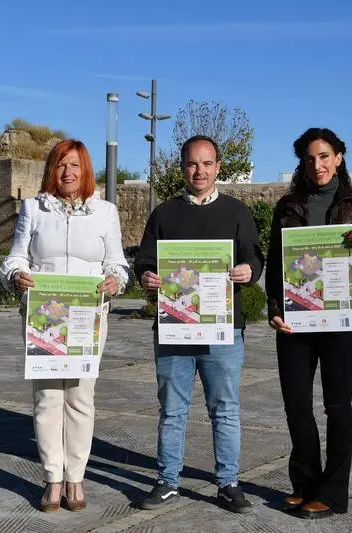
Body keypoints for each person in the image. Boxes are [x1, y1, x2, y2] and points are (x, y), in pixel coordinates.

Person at [133, 135, 264, 514]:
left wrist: (247, 271)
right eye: (192, 164)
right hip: (174, 329)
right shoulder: (164, 213)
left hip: (223, 330)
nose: (199, 171)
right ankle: (167, 480)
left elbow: (254, 258)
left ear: (218, 167)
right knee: (172, 410)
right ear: (182, 168)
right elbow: (144, 260)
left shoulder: (237, 212)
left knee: (224, 408)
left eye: (207, 164)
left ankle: (228, 482)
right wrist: (147, 276)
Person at [0, 139, 130, 512]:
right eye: (60, 166)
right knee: (47, 399)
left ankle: (76, 478)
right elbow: (14, 259)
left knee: (80, 397)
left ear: (86, 170)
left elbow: (117, 264)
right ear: (51, 171)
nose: (68, 173)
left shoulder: (105, 211)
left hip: (88, 318)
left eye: (74, 165)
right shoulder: (33, 209)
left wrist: (114, 282)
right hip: (45, 316)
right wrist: (17, 276)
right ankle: (52, 478)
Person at [265, 127, 352, 519]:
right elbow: (276, 265)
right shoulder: (288, 206)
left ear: (339, 157)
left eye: (325, 156)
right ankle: (305, 484)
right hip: (297, 321)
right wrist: (274, 309)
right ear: (303, 162)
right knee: (297, 406)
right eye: (311, 158)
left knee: (337, 406)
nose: (318, 165)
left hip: (344, 321)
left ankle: (332, 494)